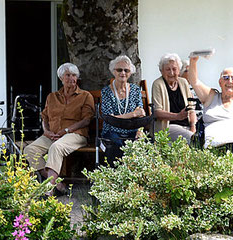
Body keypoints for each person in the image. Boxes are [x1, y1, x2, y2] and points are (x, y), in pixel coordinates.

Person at [24, 63, 95, 195]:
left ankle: (48, 189)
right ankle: (58, 184)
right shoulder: (52, 97)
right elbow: (44, 116)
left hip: (75, 134)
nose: (72, 78)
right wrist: (46, 131)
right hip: (53, 135)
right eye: (68, 75)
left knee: (56, 147)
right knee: (30, 150)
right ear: (61, 78)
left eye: (74, 75)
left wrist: (67, 130)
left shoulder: (85, 96)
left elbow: (86, 119)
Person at [187, 54, 233, 149]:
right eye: (226, 78)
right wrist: (193, 61)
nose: (230, 81)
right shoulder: (210, 96)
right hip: (207, 145)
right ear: (220, 82)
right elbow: (194, 81)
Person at [100, 55, 145, 165]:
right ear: (113, 71)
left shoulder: (135, 90)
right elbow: (109, 119)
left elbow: (141, 115)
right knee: (118, 145)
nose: (123, 73)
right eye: (119, 70)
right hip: (112, 131)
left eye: (126, 70)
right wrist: (133, 114)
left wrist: (139, 131)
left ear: (130, 72)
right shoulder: (106, 92)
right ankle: (117, 176)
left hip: (132, 130)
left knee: (143, 143)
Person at [152, 53, 197, 143]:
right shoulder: (158, 84)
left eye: (174, 69)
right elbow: (157, 113)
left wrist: (193, 127)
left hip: (187, 127)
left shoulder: (183, 82)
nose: (171, 73)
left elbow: (191, 109)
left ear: (179, 70)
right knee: (194, 140)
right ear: (161, 71)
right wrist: (177, 116)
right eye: (168, 69)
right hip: (168, 127)